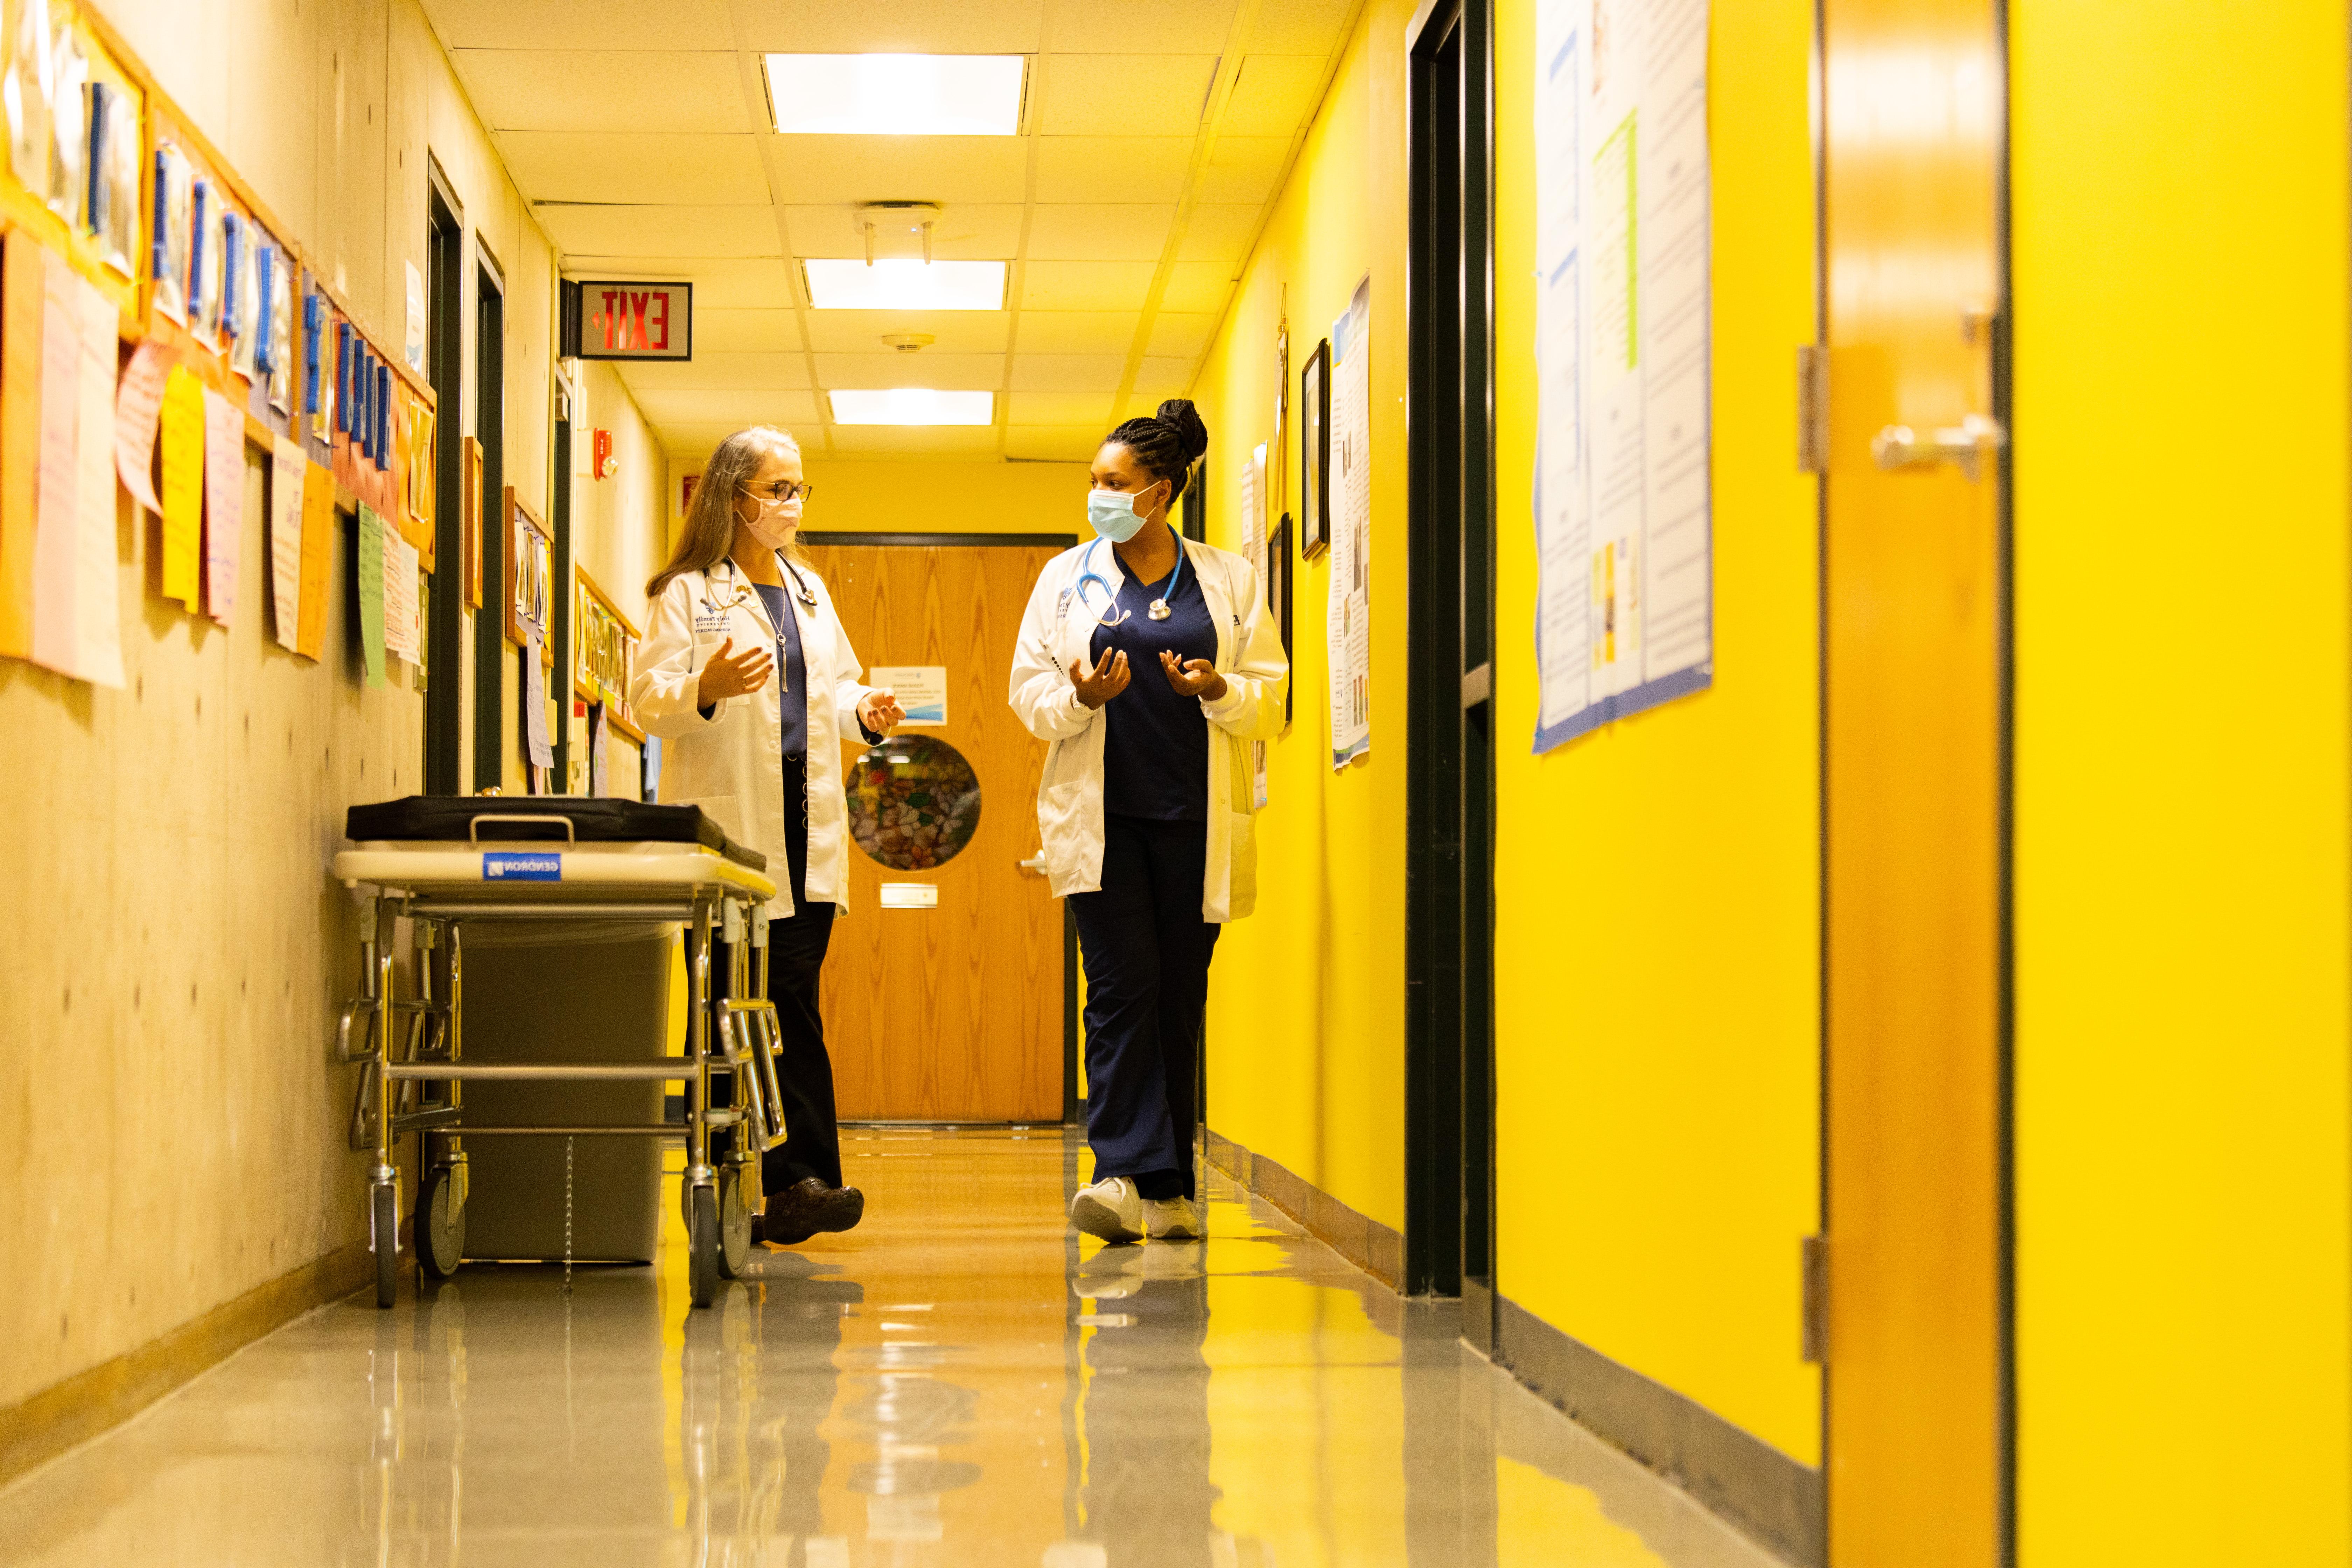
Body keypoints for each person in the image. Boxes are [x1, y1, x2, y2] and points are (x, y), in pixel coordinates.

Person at [1008, 399, 1289, 1244]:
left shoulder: (1230, 578)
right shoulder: (1064, 578)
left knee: (1177, 995)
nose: (1097, 494)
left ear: (1159, 492)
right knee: (1121, 988)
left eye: (1113, 482)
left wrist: (1216, 690)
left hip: (1194, 821)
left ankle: (1169, 1185)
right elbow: (1029, 694)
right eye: (1095, 480)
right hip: (1102, 820)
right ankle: (1121, 1171)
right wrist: (1080, 697)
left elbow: (1272, 698)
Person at [632, 426, 905, 1245]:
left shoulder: (810, 591)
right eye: (776, 489)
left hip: (805, 829)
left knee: (790, 1004)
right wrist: (704, 685)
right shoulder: (684, 591)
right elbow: (647, 697)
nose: (790, 504)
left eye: (798, 490)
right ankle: (727, 1179)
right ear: (733, 496)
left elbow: (839, 683)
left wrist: (866, 711)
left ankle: (799, 1182)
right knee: (726, 1006)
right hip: (732, 830)